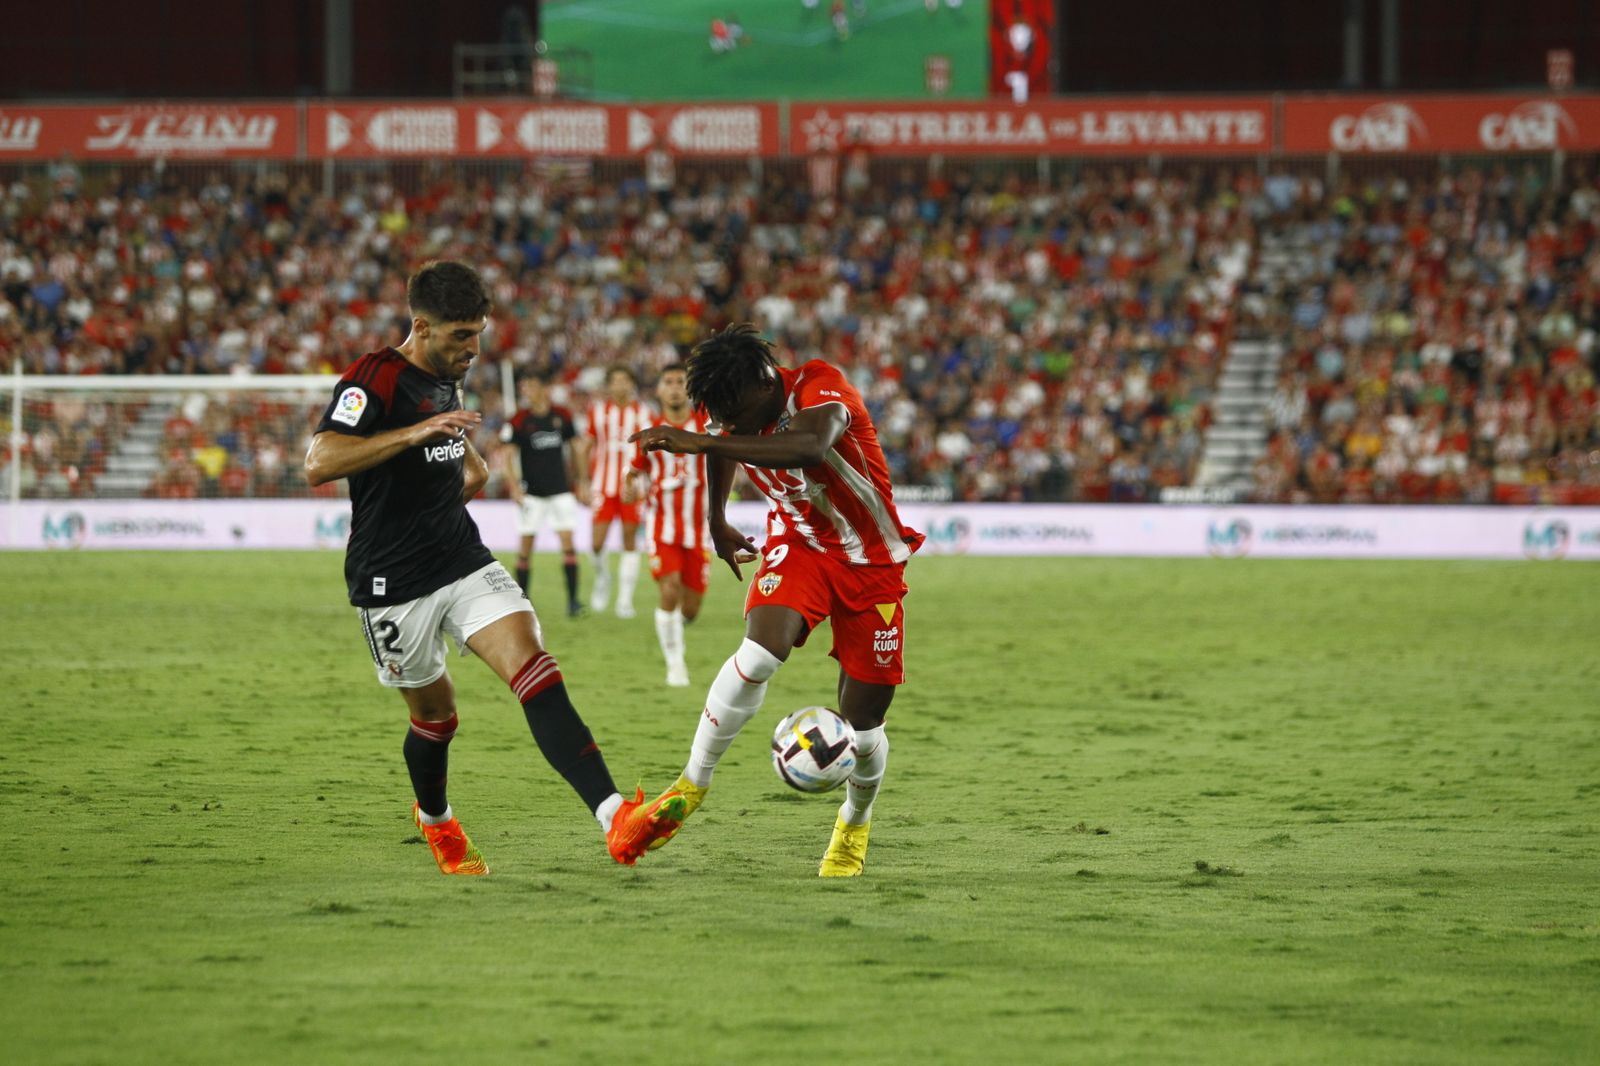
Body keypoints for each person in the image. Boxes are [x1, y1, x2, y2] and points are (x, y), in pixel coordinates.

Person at [303, 260, 683, 875]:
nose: (473, 350)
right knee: (435, 716)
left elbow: (466, 465)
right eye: (460, 336)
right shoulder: (373, 377)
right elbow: (319, 461)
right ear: (421, 327)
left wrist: (457, 472)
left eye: (478, 333)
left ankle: (615, 816)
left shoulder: (446, 377)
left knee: (535, 664)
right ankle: (437, 823)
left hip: (461, 558)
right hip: (390, 583)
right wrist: (414, 435)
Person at [629, 324, 922, 877]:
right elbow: (723, 439)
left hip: (873, 563)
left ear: (766, 384)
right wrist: (716, 516)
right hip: (800, 544)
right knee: (761, 652)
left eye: (734, 413)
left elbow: (811, 445)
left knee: (863, 724)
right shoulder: (734, 409)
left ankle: (853, 824)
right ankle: (691, 783)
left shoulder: (820, 384)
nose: (727, 424)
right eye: (719, 417)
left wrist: (706, 441)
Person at [623, 363, 711, 688]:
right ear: (658, 390)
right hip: (662, 525)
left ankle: (675, 633)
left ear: (688, 389)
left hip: (698, 530)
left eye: (679, 382)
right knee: (669, 590)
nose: (674, 387)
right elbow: (635, 470)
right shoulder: (649, 432)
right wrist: (630, 485)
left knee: (691, 608)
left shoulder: (706, 425)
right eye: (668, 382)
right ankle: (676, 665)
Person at [497, 370, 584, 618]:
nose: (528, 392)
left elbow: (576, 446)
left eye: (532, 386)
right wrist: (513, 486)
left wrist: (582, 480)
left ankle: (573, 602)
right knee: (525, 549)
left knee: (568, 545)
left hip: (560, 491)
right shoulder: (519, 419)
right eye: (525, 387)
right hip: (531, 494)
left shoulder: (562, 415)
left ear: (544, 389)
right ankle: (523, 602)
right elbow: (508, 455)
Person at [574, 365, 654, 618]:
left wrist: (650, 481)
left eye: (625, 380)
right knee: (596, 543)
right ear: (608, 385)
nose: (620, 385)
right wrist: (583, 480)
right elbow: (584, 446)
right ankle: (603, 579)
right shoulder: (597, 411)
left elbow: (653, 450)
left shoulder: (644, 412)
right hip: (603, 485)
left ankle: (624, 600)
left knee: (630, 541)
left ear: (632, 384)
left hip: (633, 486)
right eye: (615, 380)